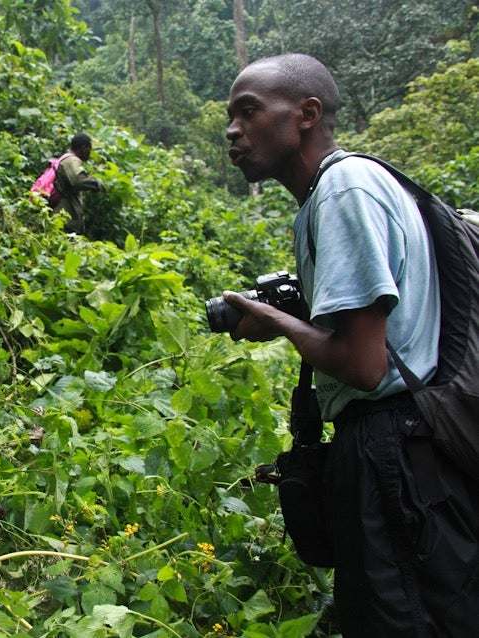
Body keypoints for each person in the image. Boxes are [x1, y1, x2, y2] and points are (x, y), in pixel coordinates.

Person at [222, 53, 479, 636]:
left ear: (307, 114)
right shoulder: (342, 191)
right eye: (229, 118)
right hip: (420, 448)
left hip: (398, 450)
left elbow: (363, 366)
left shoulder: (343, 190)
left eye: (248, 111)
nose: (233, 131)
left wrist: (275, 319)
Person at [52, 132, 106, 234]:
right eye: (89, 149)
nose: (89, 153)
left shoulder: (67, 159)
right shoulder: (72, 160)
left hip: (64, 217)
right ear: (83, 147)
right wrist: (96, 184)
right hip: (64, 218)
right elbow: (78, 181)